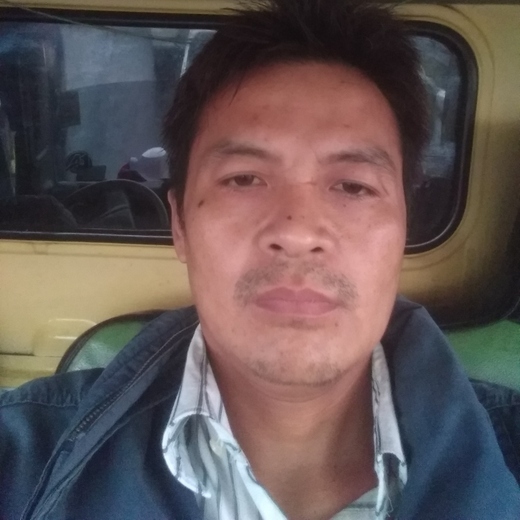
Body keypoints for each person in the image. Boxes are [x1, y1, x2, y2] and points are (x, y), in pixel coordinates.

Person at [1, 0, 519, 519]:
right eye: (244, 179)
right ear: (180, 225)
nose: (297, 233)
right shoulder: (23, 462)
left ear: (404, 224)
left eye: (353, 186)